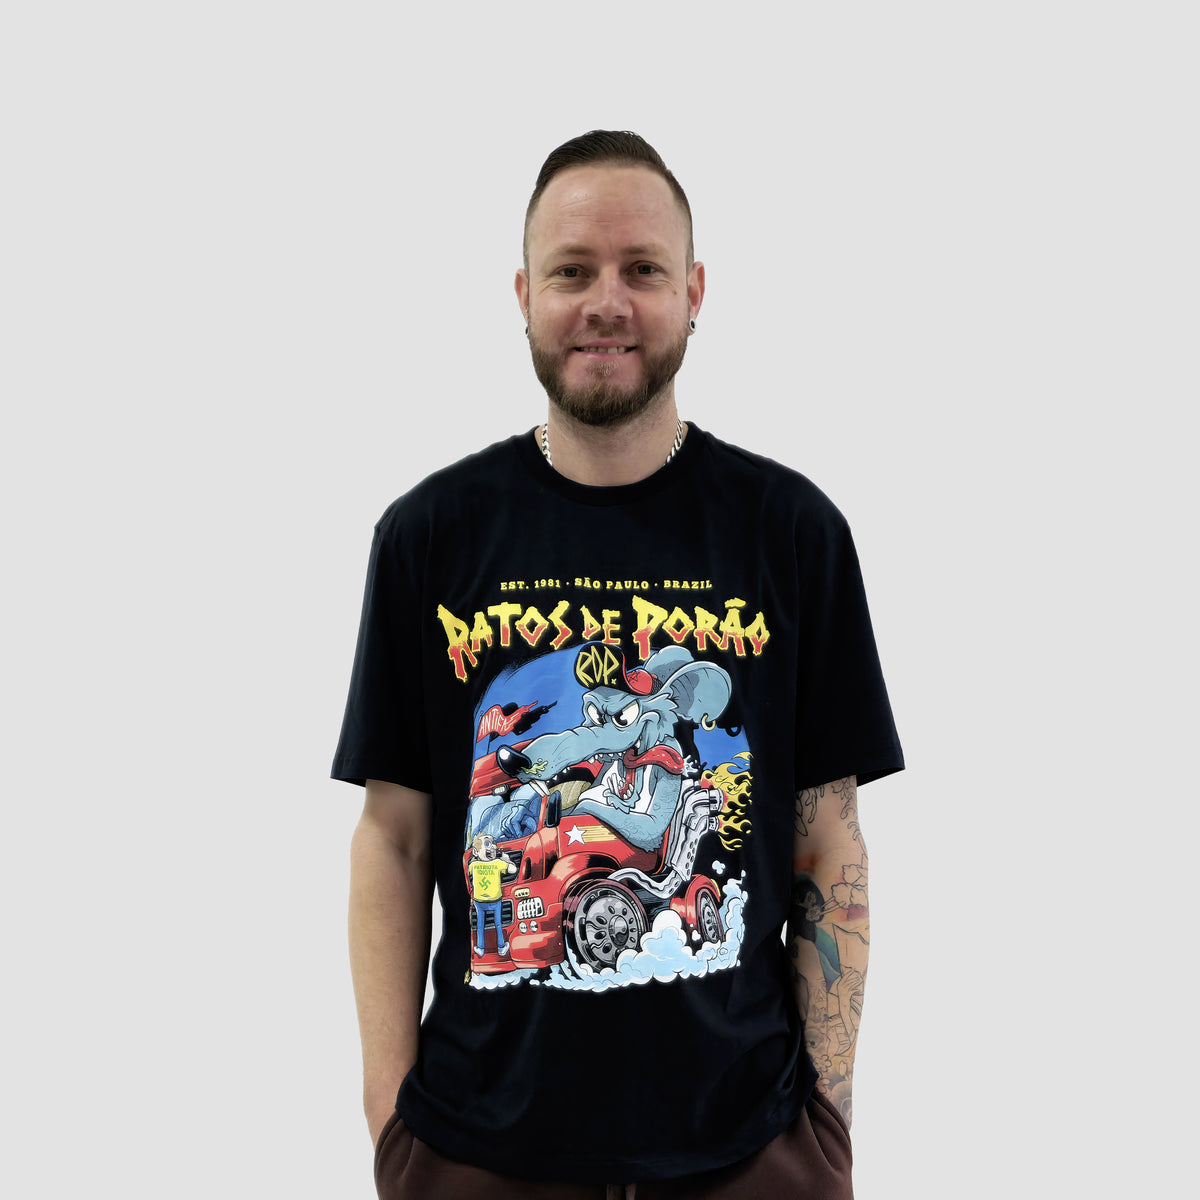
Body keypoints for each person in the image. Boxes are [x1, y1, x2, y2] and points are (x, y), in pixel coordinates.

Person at [332, 130, 903, 1200]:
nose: (607, 302)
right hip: (475, 1149)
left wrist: (823, 1127)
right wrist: (390, 1122)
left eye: (642, 269)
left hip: (750, 1151)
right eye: (572, 271)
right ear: (524, 295)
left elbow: (827, 840)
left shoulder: (792, 533)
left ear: (693, 292)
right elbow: (395, 839)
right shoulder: (430, 536)